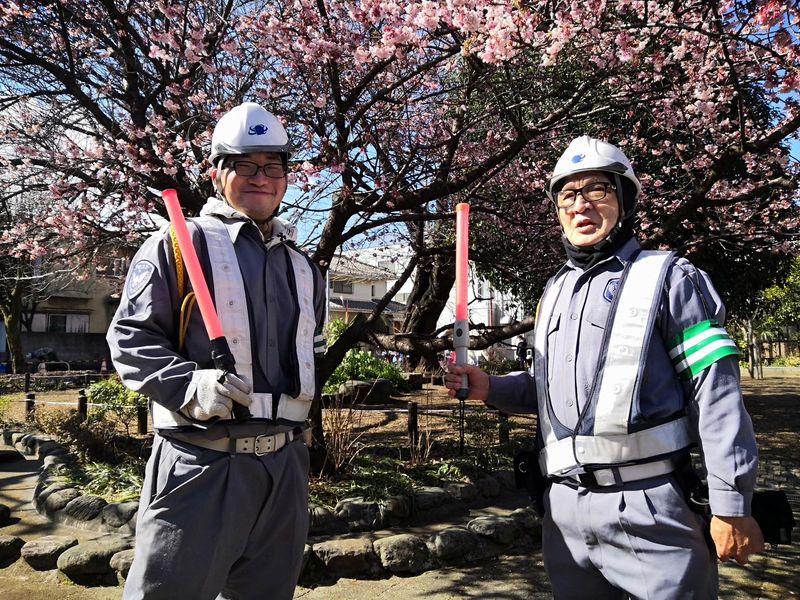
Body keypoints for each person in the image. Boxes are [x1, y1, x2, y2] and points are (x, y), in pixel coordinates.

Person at [445, 136, 763, 599]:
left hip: (653, 508)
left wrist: (731, 503)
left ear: (625, 199)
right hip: (564, 513)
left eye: (598, 189)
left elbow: (714, 392)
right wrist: (489, 387)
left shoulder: (670, 277)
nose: (581, 205)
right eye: (568, 195)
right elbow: (550, 391)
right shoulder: (554, 291)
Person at [107, 102, 325, 600]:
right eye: (244, 164)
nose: (260, 177)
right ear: (215, 173)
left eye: (272, 166)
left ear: (287, 178)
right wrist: (189, 384)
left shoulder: (305, 267)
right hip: (201, 464)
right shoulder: (178, 245)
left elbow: (310, 354)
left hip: (285, 470)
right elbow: (130, 339)